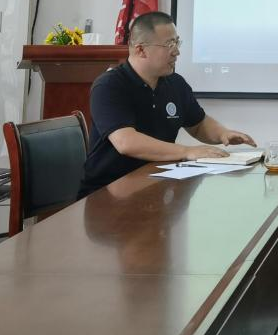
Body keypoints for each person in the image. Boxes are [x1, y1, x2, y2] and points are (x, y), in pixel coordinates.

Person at [78, 12, 256, 197]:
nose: (177, 51)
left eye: (177, 42)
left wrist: (222, 134)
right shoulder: (109, 85)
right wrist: (187, 151)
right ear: (141, 50)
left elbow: (198, 124)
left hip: (157, 187)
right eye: (169, 44)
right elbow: (126, 142)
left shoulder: (175, 83)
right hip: (107, 193)